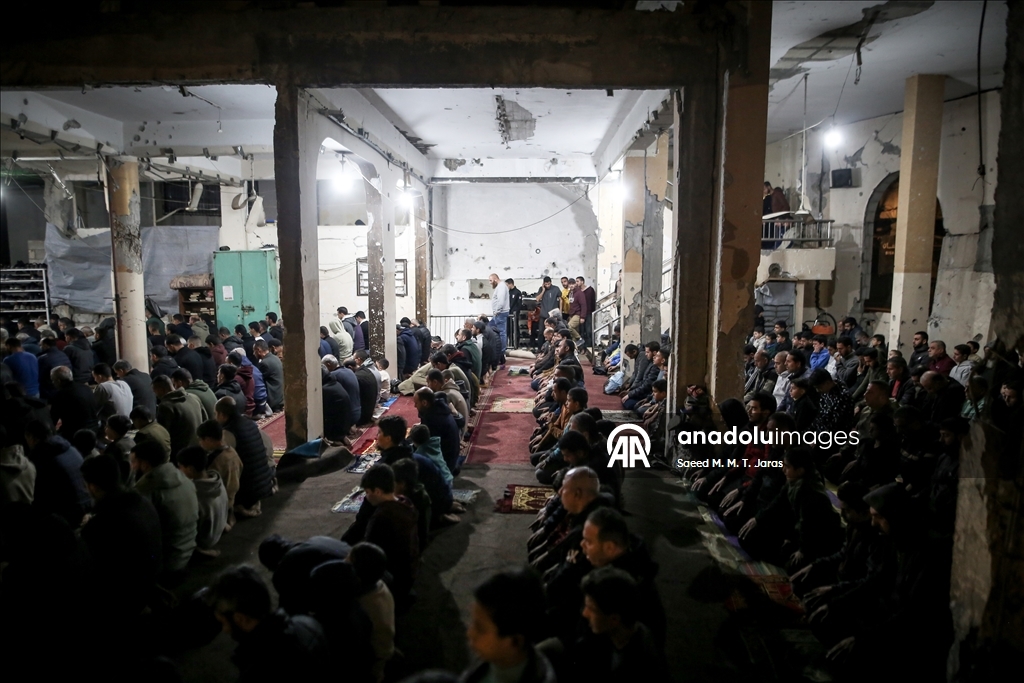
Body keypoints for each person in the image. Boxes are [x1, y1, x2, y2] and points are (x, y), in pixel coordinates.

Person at [206, 565, 330, 681]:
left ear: (240, 619)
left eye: (223, 623)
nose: (225, 630)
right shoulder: (305, 622)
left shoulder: (257, 669)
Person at [79, 454, 162, 617]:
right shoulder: (142, 502)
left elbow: (92, 566)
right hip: (150, 584)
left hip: (125, 599)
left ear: (93, 487)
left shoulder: (104, 522)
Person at [570, 567, 671, 682]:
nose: (584, 613)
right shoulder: (605, 634)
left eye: (592, 609)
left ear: (614, 619)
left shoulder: (641, 666)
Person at [344, 464, 420, 600]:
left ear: (378, 491)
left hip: (395, 581)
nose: (366, 497)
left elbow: (369, 554)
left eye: (367, 492)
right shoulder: (405, 503)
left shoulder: (382, 517)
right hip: (410, 571)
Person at [131, 439, 198, 574]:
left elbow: (137, 530)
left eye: (133, 462)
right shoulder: (184, 479)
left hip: (167, 559)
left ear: (144, 464)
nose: (132, 466)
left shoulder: (147, 490)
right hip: (188, 548)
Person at [258, 533, 351, 615]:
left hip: (352, 596)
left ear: (272, 563)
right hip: (357, 568)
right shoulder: (318, 539)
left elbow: (290, 611)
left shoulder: (284, 568)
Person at [23, 419, 91, 527]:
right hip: (88, 504)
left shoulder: (40, 456)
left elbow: (37, 491)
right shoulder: (70, 448)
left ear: (31, 438)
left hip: (69, 514)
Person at [215, 397, 275, 518]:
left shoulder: (229, 433)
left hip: (248, 491)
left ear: (221, 415)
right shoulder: (249, 423)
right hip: (265, 484)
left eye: (215, 414)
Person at [347, 542, 396, 683]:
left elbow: (381, 648)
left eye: (348, 559)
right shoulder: (379, 585)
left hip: (373, 659)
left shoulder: (367, 605)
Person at [177, 445, 228, 556]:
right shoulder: (216, 480)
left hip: (206, 540)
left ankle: (199, 550)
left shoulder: (195, 494)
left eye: (180, 467)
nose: (179, 470)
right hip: (218, 529)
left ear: (190, 469)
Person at [197, 419, 243, 527]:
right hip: (232, 498)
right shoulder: (232, 452)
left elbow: (208, 487)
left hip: (222, 505)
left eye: (200, 440)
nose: (199, 443)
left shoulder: (215, 460)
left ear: (208, 440)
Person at [152, 375, 205, 459]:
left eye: (155, 391)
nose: (155, 395)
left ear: (161, 390)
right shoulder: (194, 397)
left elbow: (163, 437)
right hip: (199, 449)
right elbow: (205, 420)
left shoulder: (166, 406)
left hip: (180, 455)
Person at [414, 386, 461, 474]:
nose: (415, 406)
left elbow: (425, 444)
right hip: (453, 458)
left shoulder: (433, 419)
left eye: (416, 403)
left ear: (424, 403)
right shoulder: (440, 409)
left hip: (446, 464)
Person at [49, 365, 100, 439]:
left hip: (76, 434)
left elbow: (52, 419)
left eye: (53, 380)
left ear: (58, 381)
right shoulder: (86, 388)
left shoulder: (61, 394)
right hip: (94, 429)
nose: (52, 383)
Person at [323, 355, 363, 427]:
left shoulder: (333, 375)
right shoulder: (349, 371)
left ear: (328, 365)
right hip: (358, 412)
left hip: (349, 416)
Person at [321, 366, 354, 443]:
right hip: (345, 426)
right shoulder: (335, 383)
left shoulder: (325, 390)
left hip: (336, 430)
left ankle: (334, 439)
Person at [488, 273, 510, 358]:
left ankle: (501, 353)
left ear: (495, 279)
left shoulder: (501, 287)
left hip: (500, 313)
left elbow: (501, 301)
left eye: (491, 280)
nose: (490, 282)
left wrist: (497, 311)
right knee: (489, 328)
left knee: (501, 333)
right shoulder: (501, 286)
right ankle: (498, 352)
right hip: (499, 313)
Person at [505, 278, 523, 349]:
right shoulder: (507, 292)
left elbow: (519, 304)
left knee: (515, 329)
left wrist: (515, 313)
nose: (506, 286)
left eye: (507, 285)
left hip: (514, 315)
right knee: (508, 330)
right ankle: (510, 344)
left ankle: (516, 345)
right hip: (508, 314)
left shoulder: (517, 292)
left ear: (510, 284)